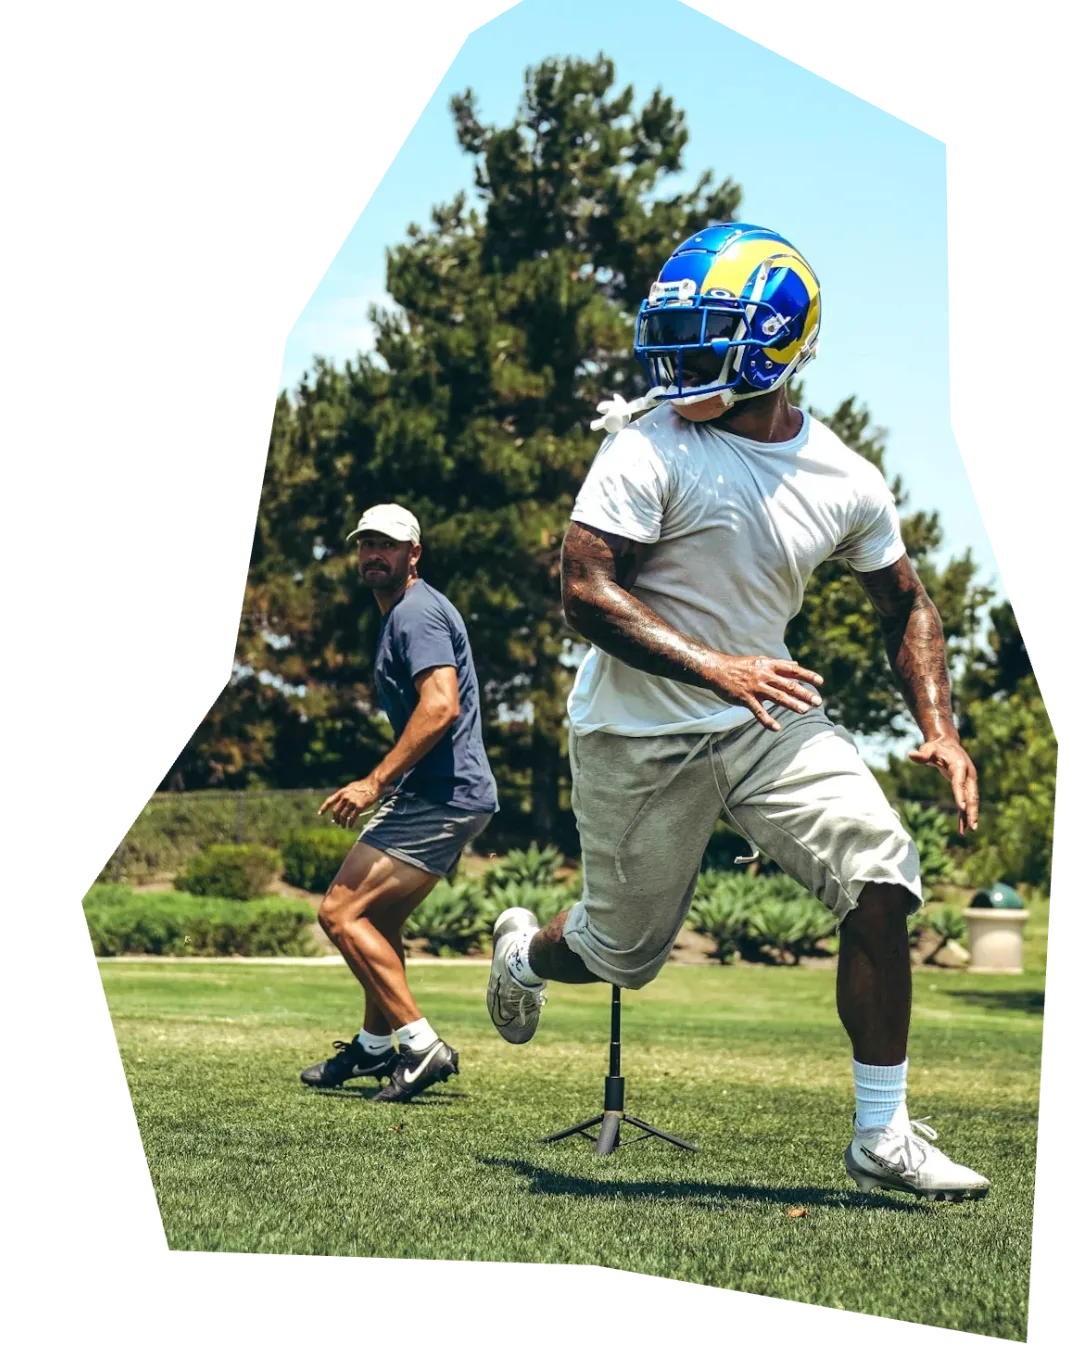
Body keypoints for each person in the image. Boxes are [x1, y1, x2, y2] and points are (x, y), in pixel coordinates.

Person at [486, 223, 990, 1201]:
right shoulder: (648, 447)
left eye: (703, 332)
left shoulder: (844, 478)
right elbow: (585, 589)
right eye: (668, 332)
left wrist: (940, 725)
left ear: (775, 341)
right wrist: (717, 667)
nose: (674, 357)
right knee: (618, 954)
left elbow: (907, 605)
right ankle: (526, 951)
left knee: (882, 872)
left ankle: (881, 1133)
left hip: (765, 722)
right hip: (636, 735)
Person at [301, 503, 498, 1103]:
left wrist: (374, 782)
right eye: (364, 545)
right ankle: (375, 1045)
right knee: (378, 923)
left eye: (386, 545)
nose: (372, 556)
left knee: (339, 914)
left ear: (414, 554)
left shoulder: (415, 613)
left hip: (440, 795)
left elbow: (441, 706)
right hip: (448, 794)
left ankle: (419, 1044)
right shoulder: (405, 614)